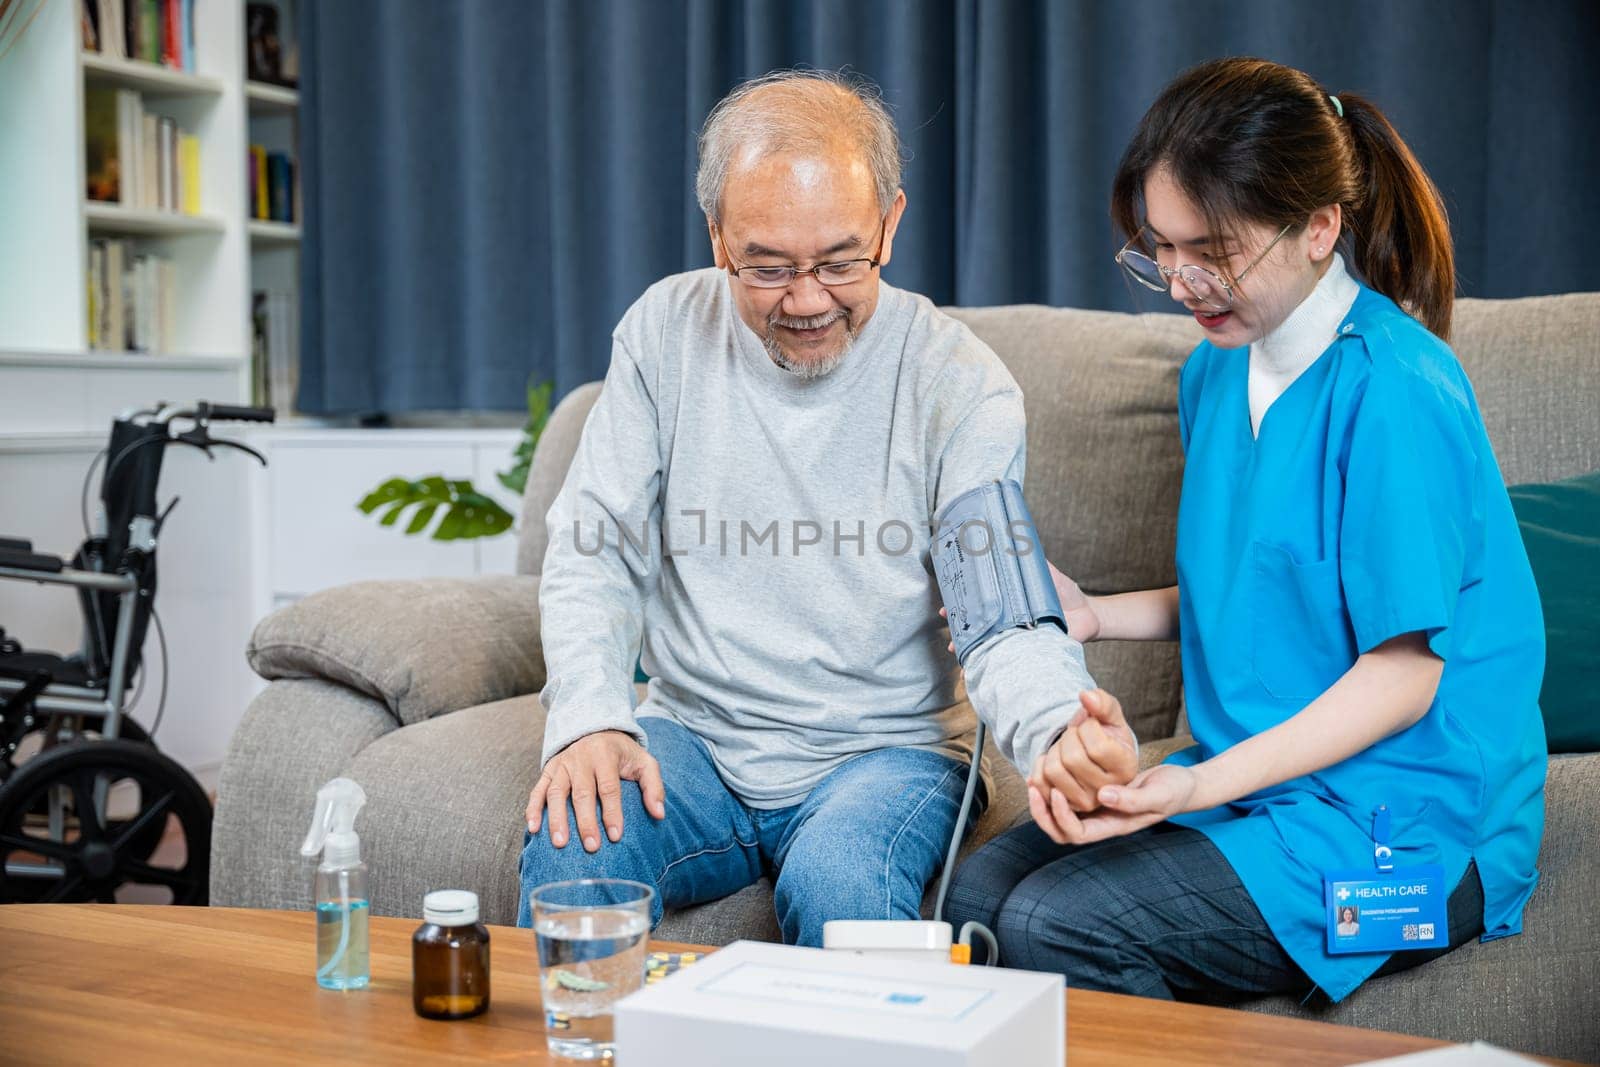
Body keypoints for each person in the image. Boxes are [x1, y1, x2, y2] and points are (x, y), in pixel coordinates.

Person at [945, 57, 1545, 1005]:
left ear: (1318, 227)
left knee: (1050, 921)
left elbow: (1403, 674)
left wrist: (1194, 784)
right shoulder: (1216, 374)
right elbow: (1273, 589)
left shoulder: (1395, 391)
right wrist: (1097, 615)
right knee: (972, 897)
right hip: (1263, 789)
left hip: (1409, 822)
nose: (1184, 282)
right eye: (1164, 249)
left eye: (1214, 251)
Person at [518, 70, 1113, 946]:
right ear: (717, 234)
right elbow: (593, 550)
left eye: (841, 262)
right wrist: (589, 719)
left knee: (843, 883)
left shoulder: (963, 383)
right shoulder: (662, 335)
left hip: (890, 755)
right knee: (573, 839)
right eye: (767, 267)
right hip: (695, 742)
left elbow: (999, 612)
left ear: (892, 223)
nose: (806, 300)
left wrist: (1060, 726)